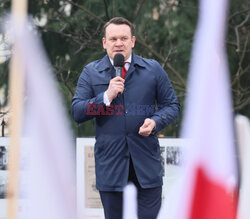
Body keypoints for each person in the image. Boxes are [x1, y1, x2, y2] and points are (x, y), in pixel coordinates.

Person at [72, 17, 180, 219]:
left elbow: (172, 105)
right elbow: (77, 111)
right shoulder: (91, 72)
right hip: (111, 169)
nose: (119, 43)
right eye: (113, 39)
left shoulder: (153, 69)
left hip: (147, 169)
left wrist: (156, 121)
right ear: (104, 43)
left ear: (133, 41)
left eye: (124, 38)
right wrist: (106, 96)